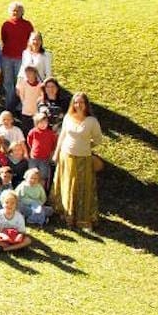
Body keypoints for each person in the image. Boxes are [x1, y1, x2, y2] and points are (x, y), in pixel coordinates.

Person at [50, 92, 103, 229]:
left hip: (83, 158)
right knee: (67, 185)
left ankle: (82, 219)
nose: (78, 105)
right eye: (76, 102)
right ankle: (67, 215)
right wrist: (56, 153)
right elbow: (62, 135)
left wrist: (86, 146)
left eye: (81, 102)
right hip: (66, 156)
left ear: (86, 104)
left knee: (82, 187)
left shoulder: (92, 121)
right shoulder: (68, 117)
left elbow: (98, 139)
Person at [0, 2, 33, 110]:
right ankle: (9, 106)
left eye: (18, 10)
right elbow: (4, 39)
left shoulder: (27, 25)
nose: (15, 12)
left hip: (21, 58)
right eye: (13, 10)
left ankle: (20, 106)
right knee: (8, 82)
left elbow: (31, 40)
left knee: (20, 82)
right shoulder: (6, 24)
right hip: (7, 57)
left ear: (22, 12)